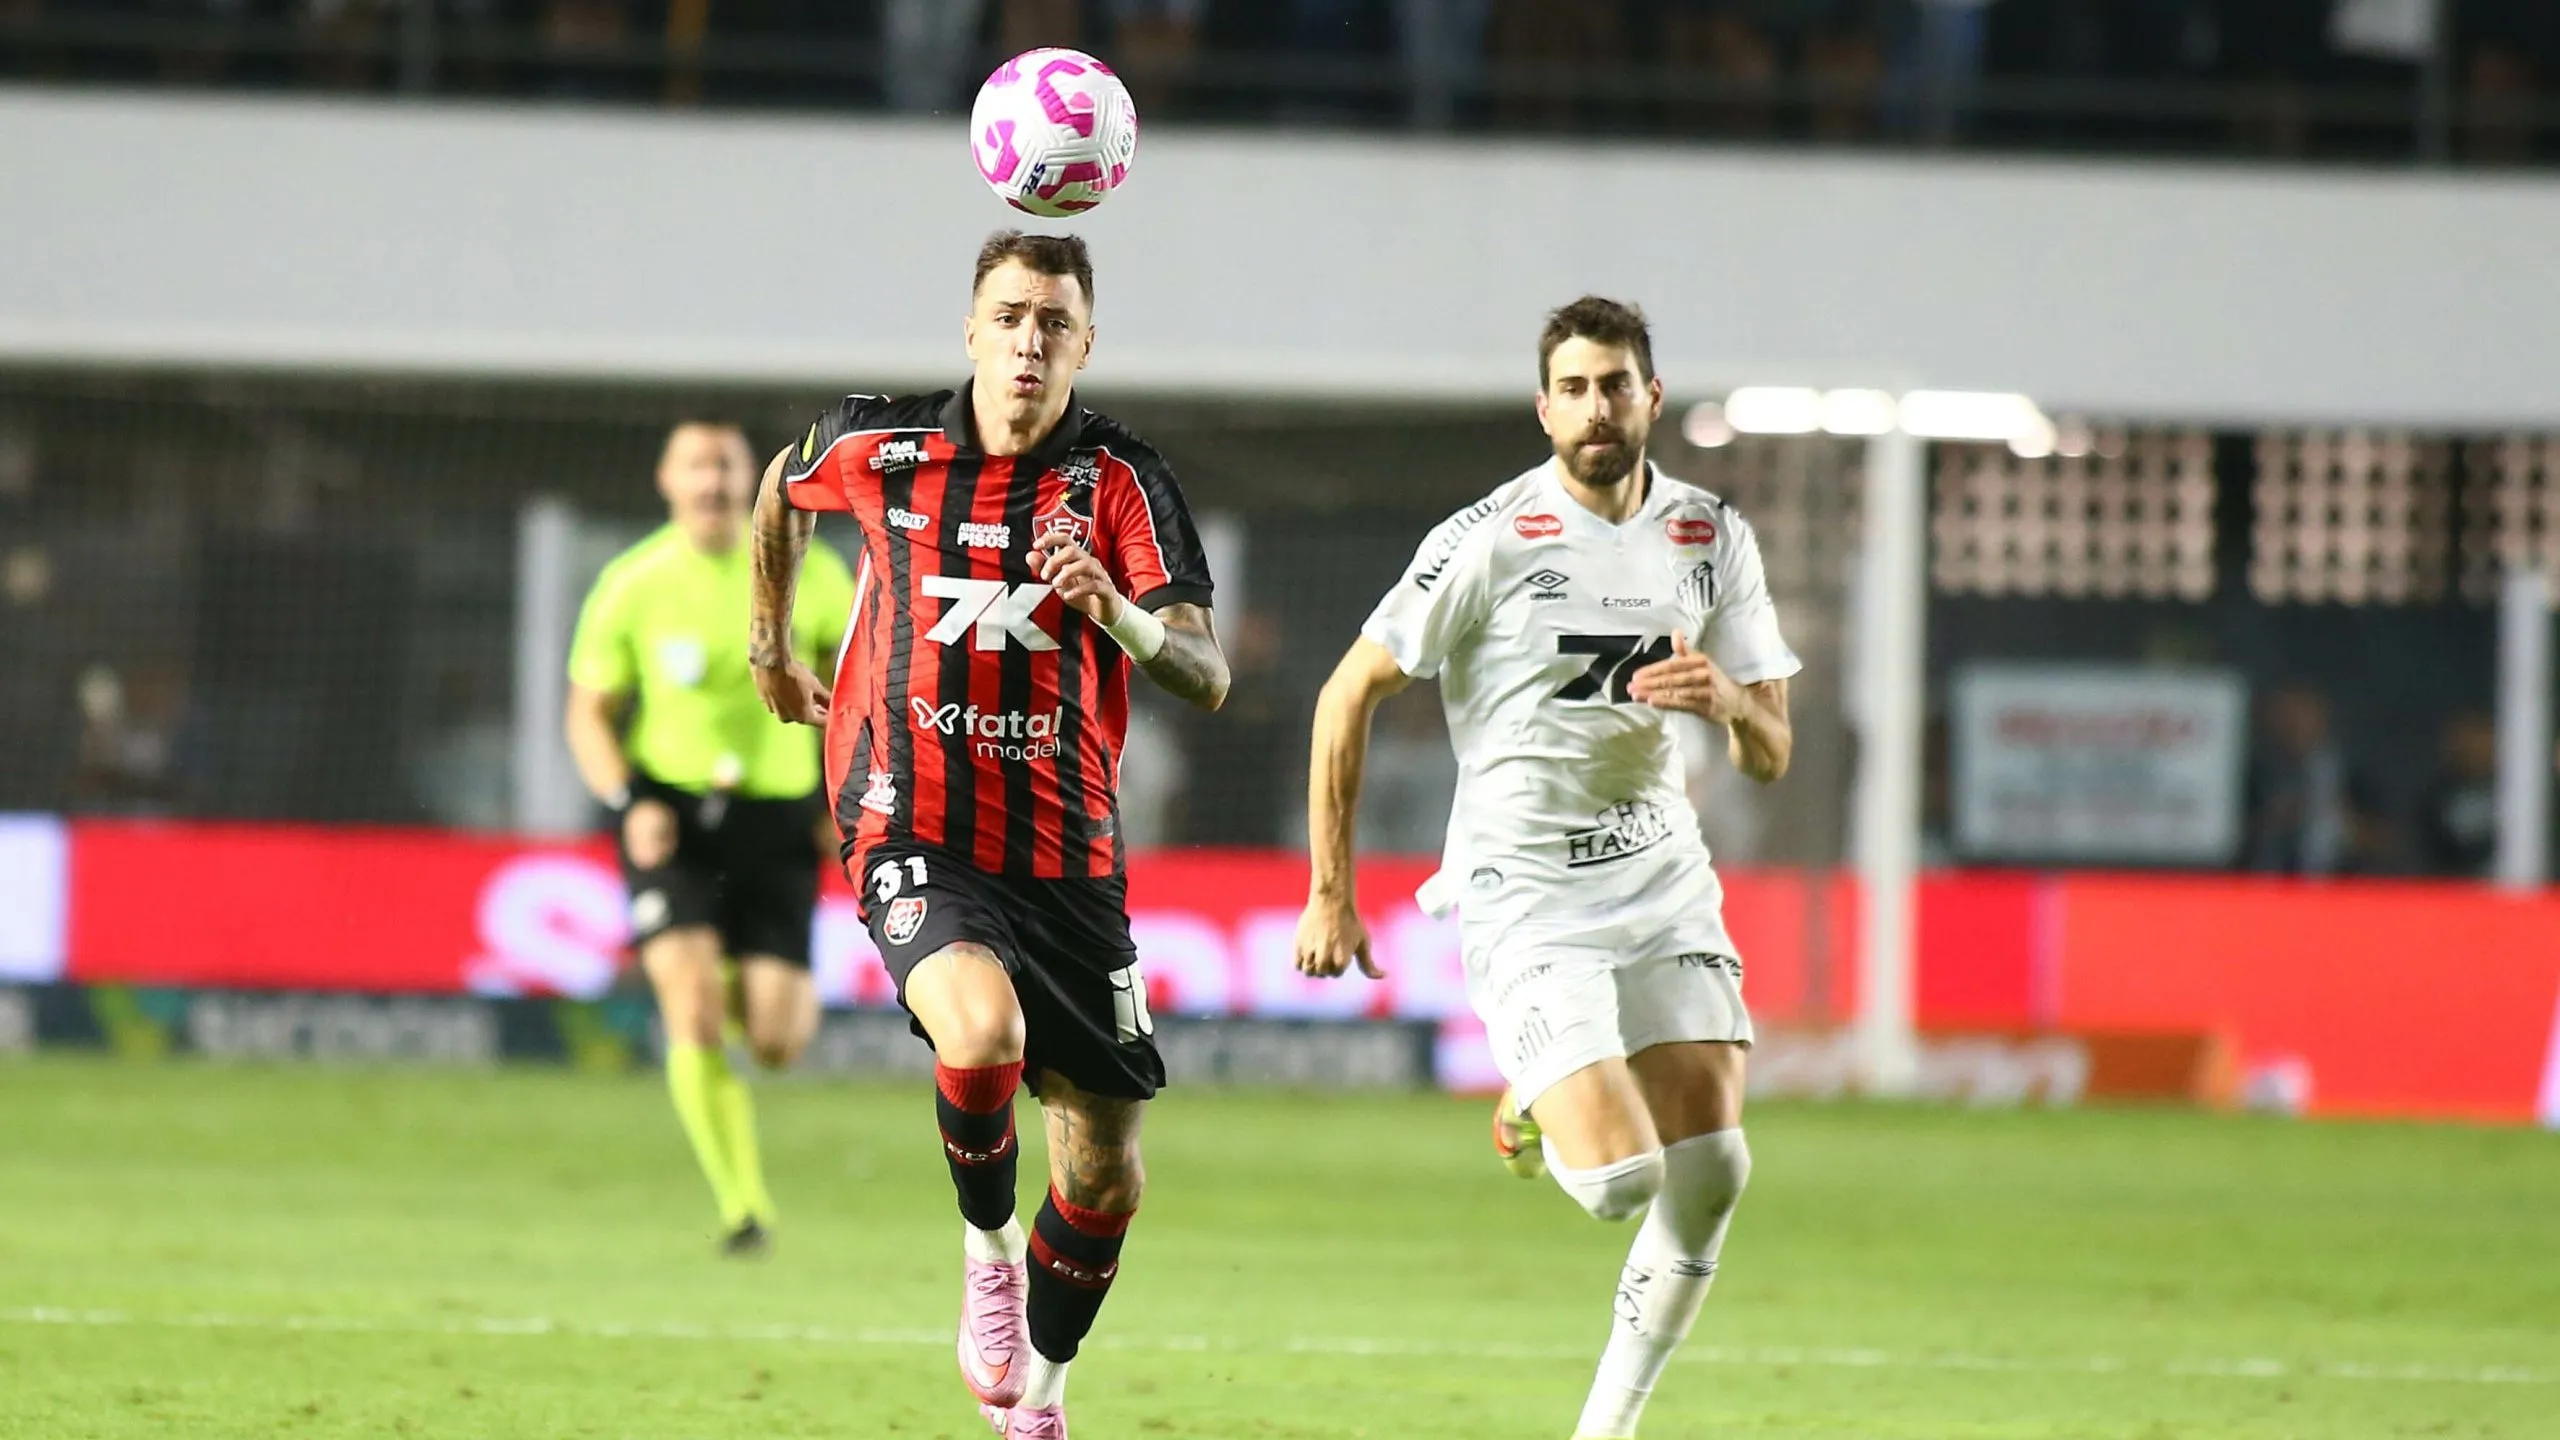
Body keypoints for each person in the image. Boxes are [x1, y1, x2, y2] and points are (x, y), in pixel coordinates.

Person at [746, 231, 1228, 1440]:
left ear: (1084, 342)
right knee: (981, 1026)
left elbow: (1206, 673)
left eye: (1053, 322)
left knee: (1106, 1173)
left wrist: (1113, 612)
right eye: (1008, 315)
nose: (1028, 340)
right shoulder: (882, 446)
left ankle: (1039, 1406)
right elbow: (775, 489)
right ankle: (985, 1252)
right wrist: (771, 641)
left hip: (1068, 857)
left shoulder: (1122, 481)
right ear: (970, 329)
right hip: (909, 819)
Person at [1295, 296, 1798, 1440]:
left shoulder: (1711, 534)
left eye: (1615, 383)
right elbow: (1345, 694)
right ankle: (1528, 1094)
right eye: (1572, 389)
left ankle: (1602, 1430)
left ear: (1652, 398)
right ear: (1543, 408)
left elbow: (1772, 754)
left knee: (1714, 1167)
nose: (1596, 407)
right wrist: (1333, 887)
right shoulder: (1487, 537)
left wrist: (1725, 700)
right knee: (1623, 1183)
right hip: (1526, 887)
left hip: (1659, 866)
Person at [563, 419, 857, 1255]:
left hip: (779, 820)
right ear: (668, 481)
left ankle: (714, 962)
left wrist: (847, 803)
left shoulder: (817, 571)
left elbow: (855, 693)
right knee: (690, 1009)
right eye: (697, 468)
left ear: (753, 485)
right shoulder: (633, 583)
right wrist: (626, 799)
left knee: (776, 1039)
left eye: (728, 469)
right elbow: (587, 715)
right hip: (674, 820)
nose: (714, 484)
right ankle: (744, 1210)